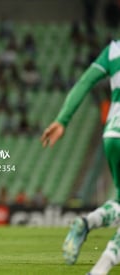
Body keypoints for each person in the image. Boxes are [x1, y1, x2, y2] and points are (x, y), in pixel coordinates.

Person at [41, 40, 120, 275]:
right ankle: (99, 270)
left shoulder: (114, 49)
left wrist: (63, 119)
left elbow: (85, 82)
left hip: (113, 133)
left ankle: (87, 223)